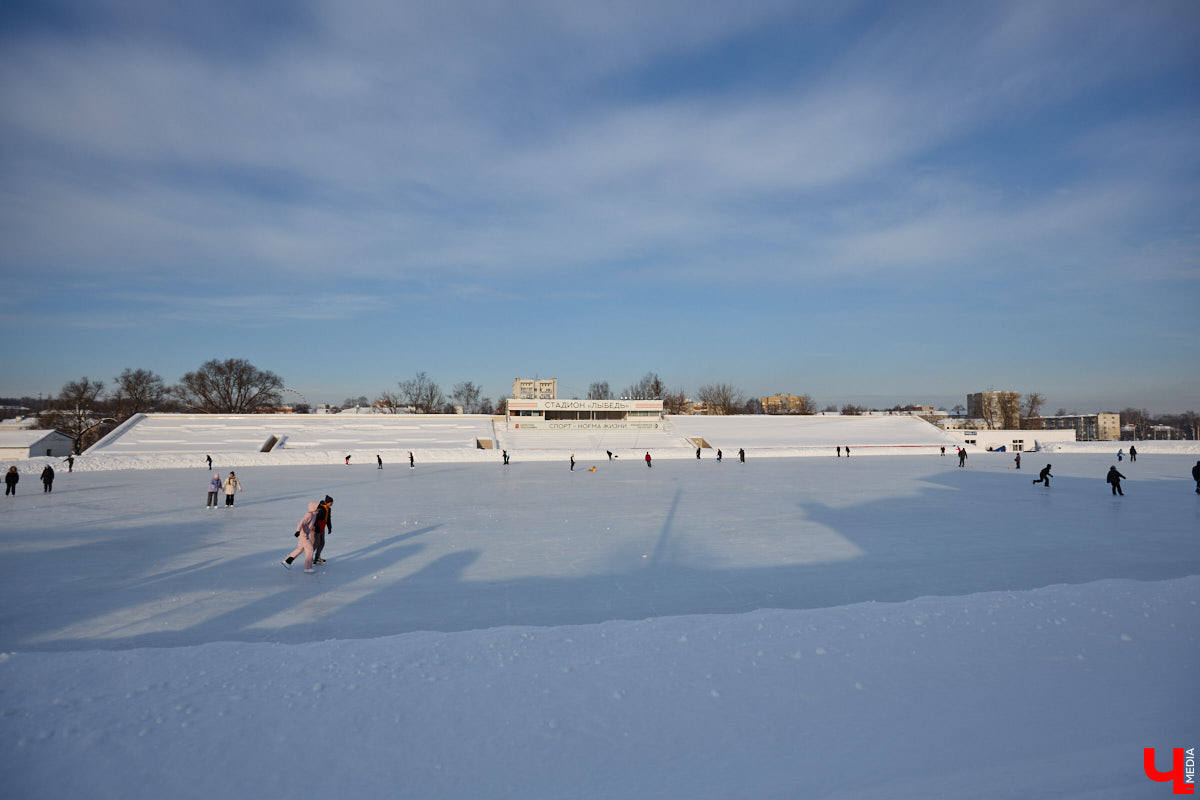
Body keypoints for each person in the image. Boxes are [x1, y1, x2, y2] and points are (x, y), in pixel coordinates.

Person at [282, 501, 319, 573]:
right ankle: (307, 568)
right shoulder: (309, 515)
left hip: (305, 534)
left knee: (300, 549)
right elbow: (300, 523)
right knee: (310, 549)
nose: (319, 509)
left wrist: (314, 528)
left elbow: (310, 525)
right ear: (314, 508)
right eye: (318, 507)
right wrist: (298, 531)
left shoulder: (314, 515)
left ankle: (287, 561)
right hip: (303, 535)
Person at [313, 496, 333, 564]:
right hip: (316, 529)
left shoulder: (328, 509)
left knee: (322, 543)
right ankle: (309, 558)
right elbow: (315, 518)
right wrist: (317, 527)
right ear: (327, 502)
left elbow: (328, 519)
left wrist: (329, 527)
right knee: (316, 543)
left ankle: (317, 557)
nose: (332, 503)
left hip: (322, 529)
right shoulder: (321, 508)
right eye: (331, 502)